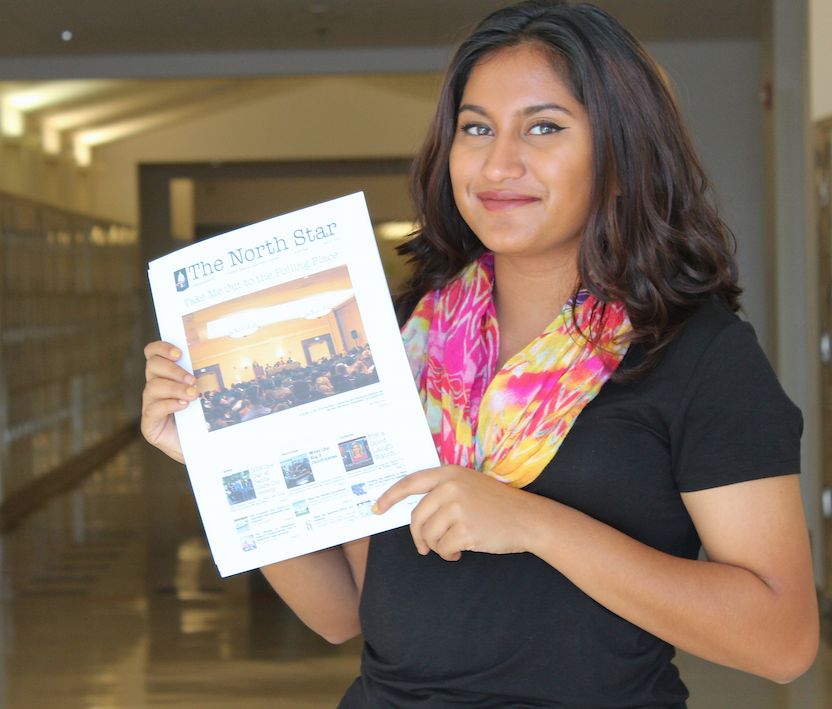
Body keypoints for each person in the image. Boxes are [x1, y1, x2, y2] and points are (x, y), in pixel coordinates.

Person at [141, 2, 818, 707]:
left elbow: (782, 640)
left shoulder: (697, 352)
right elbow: (344, 610)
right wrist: (220, 454)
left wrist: (532, 522)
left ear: (622, 152)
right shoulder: (405, 338)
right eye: (476, 128)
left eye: (544, 126)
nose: (500, 163)